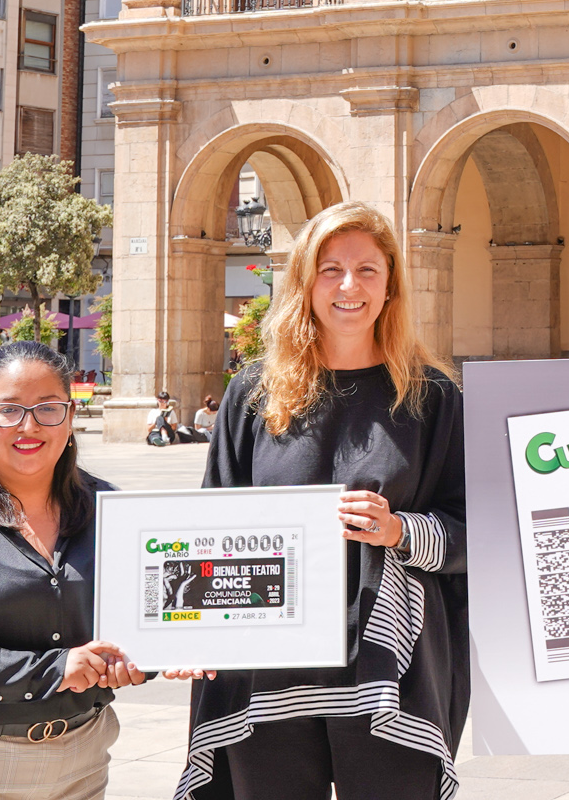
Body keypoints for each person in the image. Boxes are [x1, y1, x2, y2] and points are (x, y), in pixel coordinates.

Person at [179, 201, 465, 800]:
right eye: (330, 269)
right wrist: (189, 632)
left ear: (390, 287)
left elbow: (476, 532)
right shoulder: (253, 392)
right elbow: (208, 527)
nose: (349, 285)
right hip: (265, 670)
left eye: (367, 270)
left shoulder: (433, 395)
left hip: (390, 670)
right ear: (305, 284)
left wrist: (401, 531)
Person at [0, 338, 211, 799]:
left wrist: (153, 655)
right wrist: (55, 670)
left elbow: (148, 613)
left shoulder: (113, 511)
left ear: (70, 418)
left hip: (79, 762)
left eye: (48, 408)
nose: (29, 425)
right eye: (9, 409)